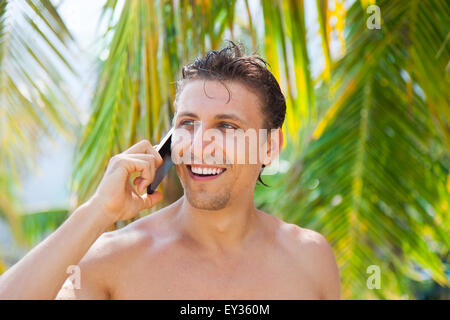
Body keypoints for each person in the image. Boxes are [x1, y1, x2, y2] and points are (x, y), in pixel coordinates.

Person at [0, 41, 340, 300]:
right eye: (188, 123)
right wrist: (98, 210)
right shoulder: (112, 259)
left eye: (227, 126)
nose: (198, 144)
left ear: (269, 146)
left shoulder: (310, 257)